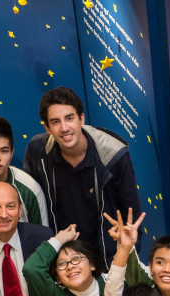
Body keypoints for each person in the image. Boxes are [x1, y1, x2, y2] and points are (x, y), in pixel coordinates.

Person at [23, 86, 141, 267]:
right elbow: (26, 195)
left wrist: (123, 262)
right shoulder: (37, 151)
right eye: (55, 122)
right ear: (47, 127)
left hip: (105, 260)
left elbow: (130, 214)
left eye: (69, 118)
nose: (64, 128)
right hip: (62, 259)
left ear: (81, 119)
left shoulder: (113, 156)